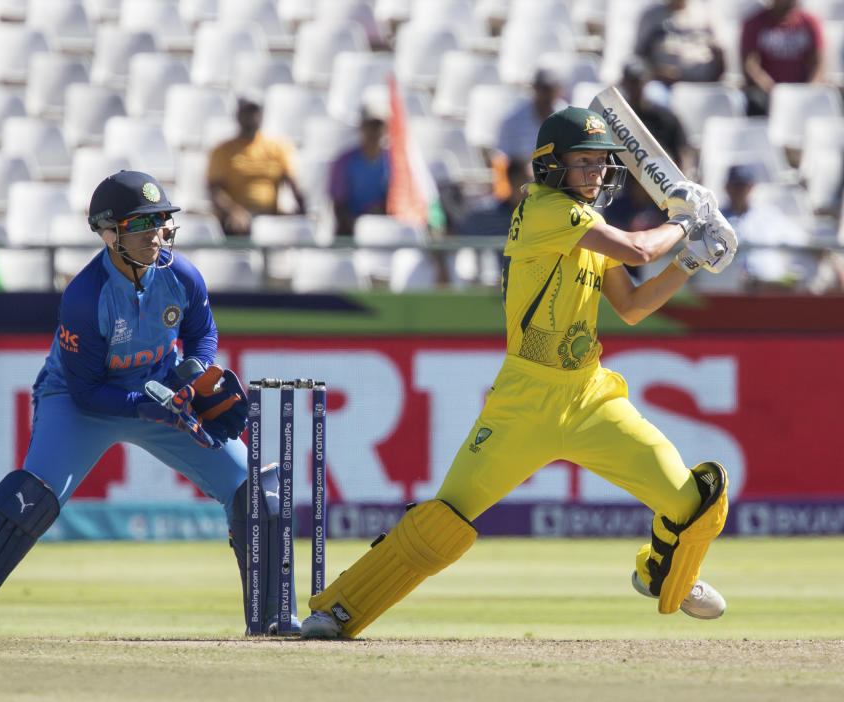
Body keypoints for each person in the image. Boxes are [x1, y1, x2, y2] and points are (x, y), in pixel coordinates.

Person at [299, 106, 737, 640]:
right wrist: (688, 222)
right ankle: (339, 608)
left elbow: (634, 306)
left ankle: (665, 570)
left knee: (695, 502)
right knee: (445, 518)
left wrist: (691, 261)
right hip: (524, 402)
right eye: (585, 162)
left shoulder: (589, 224)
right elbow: (639, 247)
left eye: (601, 163)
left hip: (591, 397)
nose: (597, 173)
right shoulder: (547, 212)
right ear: (550, 166)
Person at [0, 170, 296, 638]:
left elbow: (202, 333)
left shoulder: (182, 276)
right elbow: (87, 390)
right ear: (109, 233)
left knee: (253, 490)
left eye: (160, 221)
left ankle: (275, 616)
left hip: (162, 391)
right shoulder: (85, 296)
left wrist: (193, 373)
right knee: (30, 496)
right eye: (142, 224)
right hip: (80, 404)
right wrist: (150, 407)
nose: (157, 233)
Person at [207, 93, 306, 236]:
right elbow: (214, 189)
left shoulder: (277, 147)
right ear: (238, 115)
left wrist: (303, 212)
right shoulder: (223, 150)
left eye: (254, 113)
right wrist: (234, 211)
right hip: (236, 218)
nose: (251, 118)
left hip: (270, 215)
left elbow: (293, 182)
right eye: (246, 113)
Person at [719, 163, 817, 292]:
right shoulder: (716, 218)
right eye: (735, 186)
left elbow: (801, 241)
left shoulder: (768, 215)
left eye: (743, 186)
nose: (739, 191)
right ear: (727, 188)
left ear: (751, 187)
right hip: (731, 289)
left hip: (769, 287)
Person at [741, 0, 825, 116]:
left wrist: (809, 89)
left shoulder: (810, 22)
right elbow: (751, 65)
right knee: (754, 100)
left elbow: (819, 63)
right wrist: (774, 91)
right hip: (768, 91)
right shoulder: (754, 23)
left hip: (803, 88)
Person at [328, 105, 391, 236]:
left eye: (378, 125)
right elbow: (338, 205)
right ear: (362, 127)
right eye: (370, 125)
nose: (374, 131)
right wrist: (356, 225)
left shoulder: (394, 162)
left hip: (386, 229)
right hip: (351, 231)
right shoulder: (344, 162)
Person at [634, 0, 725, 86]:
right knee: (653, 95)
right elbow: (639, 55)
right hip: (665, 85)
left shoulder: (706, 13)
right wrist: (656, 71)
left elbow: (720, 52)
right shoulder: (651, 16)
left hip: (704, 84)